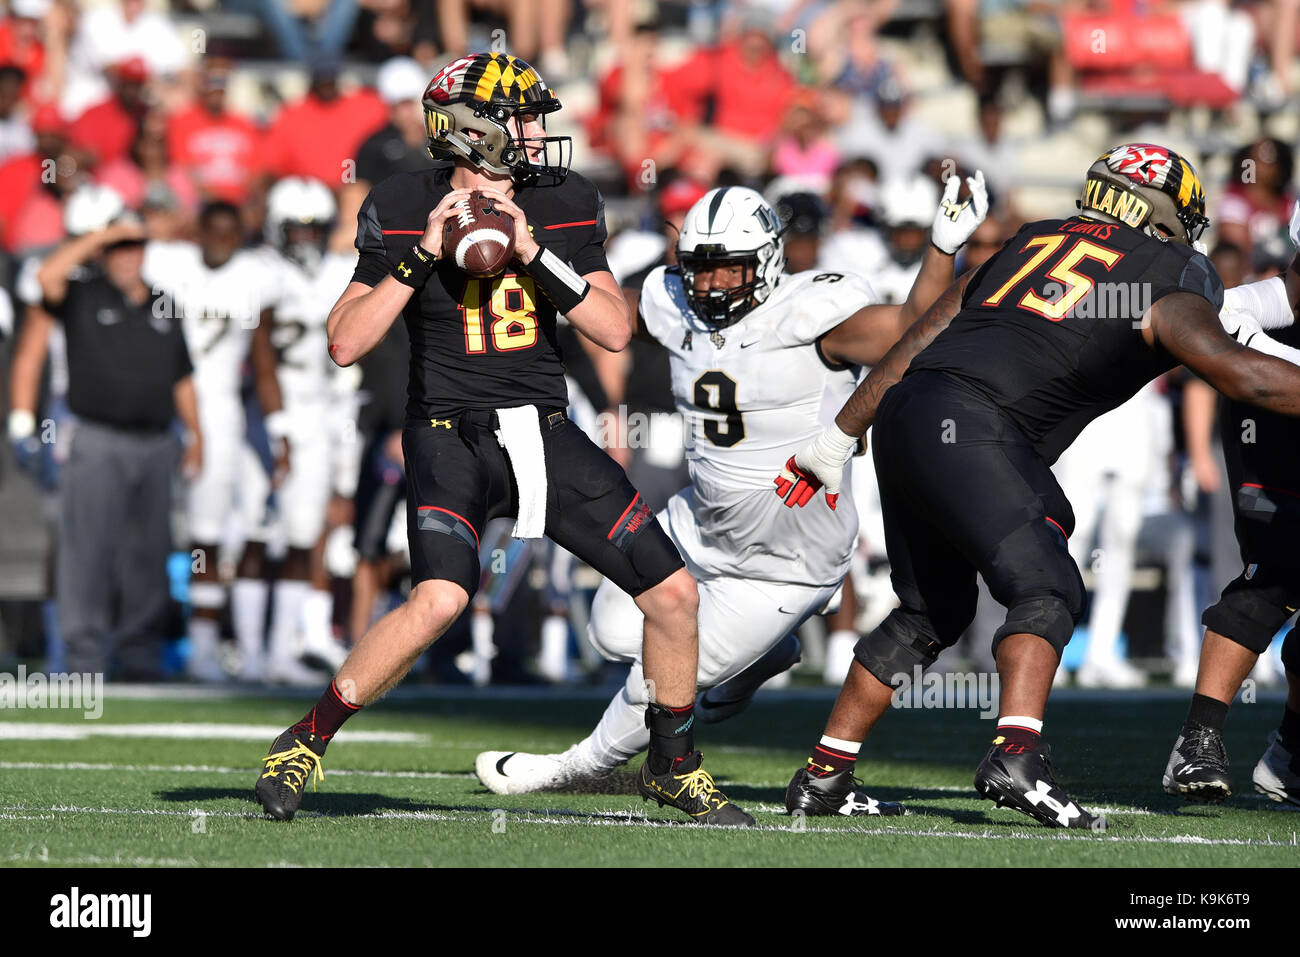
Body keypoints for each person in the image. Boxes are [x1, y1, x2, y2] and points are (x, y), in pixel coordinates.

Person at [253, 52, 751, 827]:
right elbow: (345, 341)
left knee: (674, 593)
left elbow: (615, 331)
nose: (537, 132)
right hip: (448, 431)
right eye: (522, 118)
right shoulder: (402, 200)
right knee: (440, 598)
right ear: (471, 131)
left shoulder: (566, 200)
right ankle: (303, 739)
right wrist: (420, 256)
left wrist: (532, 253)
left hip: (543, 432)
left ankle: (674, 763)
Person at [775, 142, 1300, 828]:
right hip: (979, 423)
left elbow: (917, 339)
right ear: (1173, 218)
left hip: (909, 414)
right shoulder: (1169, 269)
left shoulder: (1030, 240)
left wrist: (838, 434)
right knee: (1048, 583)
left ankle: (824, 774)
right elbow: (1244, 374)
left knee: (929, 611)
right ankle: (1016, 752)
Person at [474, 175, 988, 809]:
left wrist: (941, 249)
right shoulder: (671, 300)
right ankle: (753, 662)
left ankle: (573, 767)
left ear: (768, 261)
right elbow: (605, 317)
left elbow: (914, 327)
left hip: (785, 558)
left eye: (730, 271)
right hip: (701, 524)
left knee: (659, 680)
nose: (712, 286)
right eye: (701, 270)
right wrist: (527, 258)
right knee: (609, 631)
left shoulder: (811, 314)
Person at [8, 184, 200, 678]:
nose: (126, 255)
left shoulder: (164, 302)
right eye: (117, 247)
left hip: (157, 441)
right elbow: (44, 275)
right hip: (96, 437)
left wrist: (197, 435)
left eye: (134, 245)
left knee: (149, 554)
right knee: (87, 551)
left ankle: (139, 656)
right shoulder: (79, 293)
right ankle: (82, 657)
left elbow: (183, 377)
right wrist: (106, 234)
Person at [1162, 202, 1300, 807]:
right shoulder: (1249, 304)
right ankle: (1198, 740)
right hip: (1271, 448)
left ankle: (1290, 754)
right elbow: (1227, 346)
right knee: (1273, 575)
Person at [142, 200, 286, 683]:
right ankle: (148, 640)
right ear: (197, 230)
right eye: (214, 229)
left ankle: (202, 646)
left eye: (231, 231)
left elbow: (264, 359)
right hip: (160, 405)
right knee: (153, 526)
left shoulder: (256, 274)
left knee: (209, 530)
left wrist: (277, 427)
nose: (222, 239)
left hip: (220, 411)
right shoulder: (168, 261)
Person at [232, 177, 358, 682]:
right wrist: (278, 423)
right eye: (296, 230)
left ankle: (283, 650)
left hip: (324, 408)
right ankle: (248, 651)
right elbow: (260, 351)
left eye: (314, 230)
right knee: (257, 530)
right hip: (268, 407)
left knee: (305, 534)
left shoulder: (340, 271)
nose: (305, 239)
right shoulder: (259, 270)